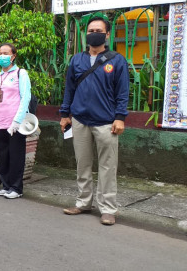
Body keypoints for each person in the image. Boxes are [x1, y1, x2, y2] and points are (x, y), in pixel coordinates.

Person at [59, 16, 129, 225]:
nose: (93, 33)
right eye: (90, 30)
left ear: (107, 34)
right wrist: (64, 114)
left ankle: (108, 208)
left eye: (98, 30)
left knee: (108, 166)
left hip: (106, 122)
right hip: (80, 120)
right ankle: (83, 203)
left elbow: (123, 92)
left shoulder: (117, 60)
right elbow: (69, 89)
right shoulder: (77, 60)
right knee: (83, 163)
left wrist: (120, 118)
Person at [0, 43, 31, 199]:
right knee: (1, 155)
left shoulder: (20, 73)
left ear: (13, 56)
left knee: (16, 155)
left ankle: (16, 188)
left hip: (14, 124)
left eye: (6, 53)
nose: (2, 56)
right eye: (0, 53)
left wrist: (17, 121)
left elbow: (26, 97)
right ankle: (5, 185)